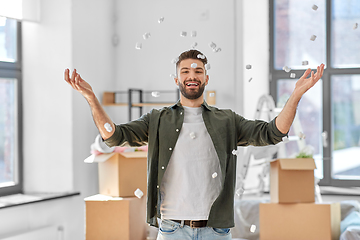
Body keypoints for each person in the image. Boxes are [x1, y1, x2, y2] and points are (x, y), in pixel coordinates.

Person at [64, 49, 324, 240]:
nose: (192, 75)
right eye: (185, 71)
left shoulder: (227, 121)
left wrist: (296, 95)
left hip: (216, 230)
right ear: (176, 79)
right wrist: (91, 98)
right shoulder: (157, 120)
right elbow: (114, 136)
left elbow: (272, 133)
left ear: (206, 79)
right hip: (172, 230)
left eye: (198, 71)